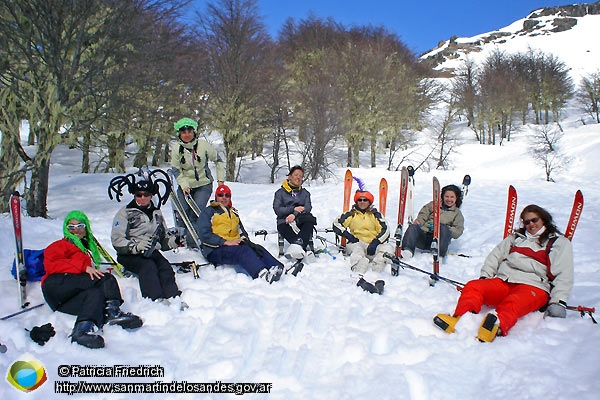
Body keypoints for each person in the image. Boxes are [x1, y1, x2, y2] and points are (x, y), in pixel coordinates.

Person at [434, 205, 574, 342]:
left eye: (535, 220)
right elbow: (495, 256)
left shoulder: (557, 243)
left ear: (543, 219)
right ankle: (460, 318)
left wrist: (558, 301)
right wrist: (485, 277)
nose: (531, 224)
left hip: (533, 287)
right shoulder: (516, 239)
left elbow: (564, 273)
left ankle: (496, 325)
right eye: (527, 221)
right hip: (505, 281)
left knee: (513, 303)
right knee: (473, 286)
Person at [42, 210, 142, 349]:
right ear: (66, 229)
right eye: (71, 227)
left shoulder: (84, 250)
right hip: (55, 284)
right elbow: (51, 263)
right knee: (105, 278)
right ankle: (112, 313)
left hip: (62, 302)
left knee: (96, 295)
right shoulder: (61, 245)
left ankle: (82, 331)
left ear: (86, 228)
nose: (76, 230)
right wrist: (83, 267)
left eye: (80, 226)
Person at [110, 175, 186, 308]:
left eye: (146, 194)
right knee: (148, 268)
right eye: (139, 195)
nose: (143, 198)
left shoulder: (156, 213)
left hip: (151, 251)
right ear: (134, 195)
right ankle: (154, 299)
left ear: (151, 195)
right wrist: (135, 247)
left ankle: (173, 297)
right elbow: (117, 240)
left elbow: (162, 240)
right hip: (129, 254)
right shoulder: (125, 213)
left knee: (165, 267)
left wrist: (175, 241)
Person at [198, 184, 291, 283]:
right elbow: (204, 234)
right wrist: (224, 242)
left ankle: (279, 268)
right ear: (216, 197)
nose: (224, 198)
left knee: (257, 248)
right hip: (215, 249)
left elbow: (241, 230)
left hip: (233, 245)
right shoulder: (208, 212)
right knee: (242, 251)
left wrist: (245, 240)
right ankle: (262, 274)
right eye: (221, 195)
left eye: (227, 195)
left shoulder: (233, 213)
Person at [170, 117, 225, 245]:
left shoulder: (203, 146)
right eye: (184, 132)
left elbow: (218, 160)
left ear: (194, 132)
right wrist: (184, 185)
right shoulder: (177, 149)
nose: (187, 135)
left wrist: (220, 180)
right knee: (182, 213)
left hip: (203, 185)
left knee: (196, 212)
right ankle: (180, 239)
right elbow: (176, 170)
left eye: (189, 131)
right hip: (185, 186)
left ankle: (193, 242)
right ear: (179, 134)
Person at [333, 183, 393, 273]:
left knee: (388, 248)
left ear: (369, 202)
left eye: (365, 200)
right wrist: (349, 237)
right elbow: (336, 224)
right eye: (359, 200)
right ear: (356, 202)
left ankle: (377, 264)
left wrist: (376, 242)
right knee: (357, 250)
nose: (362, 202)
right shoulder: (351, 214)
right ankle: (358, 265)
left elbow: (386, 230)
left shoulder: (376, 215)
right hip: (357, 242)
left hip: (373, 244)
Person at [401, 184, 464, 258]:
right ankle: (407, 251)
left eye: (452, 197)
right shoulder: (433, 205)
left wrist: (442, 228)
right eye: (447, 196)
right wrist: (419, 221)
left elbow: (458, 231)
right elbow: (423, 214)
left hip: (439, 242)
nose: (449, 199)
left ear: (456, 198)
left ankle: (439, 256)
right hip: (424, 237)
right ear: (443, 196)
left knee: (444, 228)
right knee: (412, 227)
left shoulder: (457, 213)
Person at [273, 165, 317, 260]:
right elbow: (278, 210)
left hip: (301, 219)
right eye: (296, 175)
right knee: (285, 228)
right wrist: (293, 209)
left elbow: (307, 208)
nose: (298, 177)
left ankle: (298, 245)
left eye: (301, 176)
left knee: (310, 219)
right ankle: (302, 248)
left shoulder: (305, 193)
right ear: (289, 176)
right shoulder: (280, 193)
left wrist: (294, 214)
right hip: (285, 221)